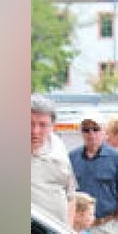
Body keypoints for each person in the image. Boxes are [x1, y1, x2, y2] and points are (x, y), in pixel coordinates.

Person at [30, 95, 77, 224]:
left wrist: (69, 232)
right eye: (30, 124)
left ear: (52, 126)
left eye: (42, 125)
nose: (35, 131)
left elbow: (71, 196)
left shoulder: (59, 150)